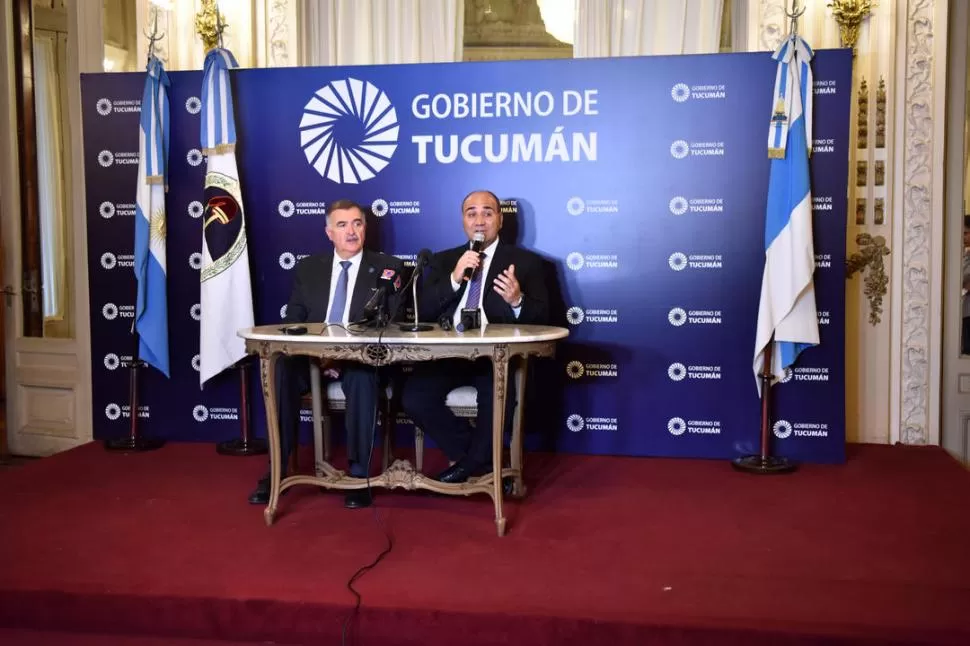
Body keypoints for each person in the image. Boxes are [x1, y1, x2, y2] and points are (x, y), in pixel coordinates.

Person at [248, 199, 404, 509]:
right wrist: (319, 354)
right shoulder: (309, 268)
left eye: (357, 223)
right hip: (313, 357)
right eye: (343, 225)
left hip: (361, 358)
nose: (351, 231)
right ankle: (277, 468)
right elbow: (294, 318)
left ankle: (359, 476)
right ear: (329, 232)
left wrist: (342, 355)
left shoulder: (389, 268)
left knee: (362, 377)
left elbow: (390, 325)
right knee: (281, 371)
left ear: (365, 228)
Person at [401, 190, 550, 483]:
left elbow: (545, 318)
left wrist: (518, 300)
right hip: (448, 355)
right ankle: (482, 461)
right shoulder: (445, 261)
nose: (479, 220)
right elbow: (422, 311)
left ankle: (469, 463)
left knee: (497, 396)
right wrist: (454, 279)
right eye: (472, 213)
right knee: (414, 397)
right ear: (463, 221)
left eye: (487, 212)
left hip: (495, 356)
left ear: (500, 219)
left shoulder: (527, 262)